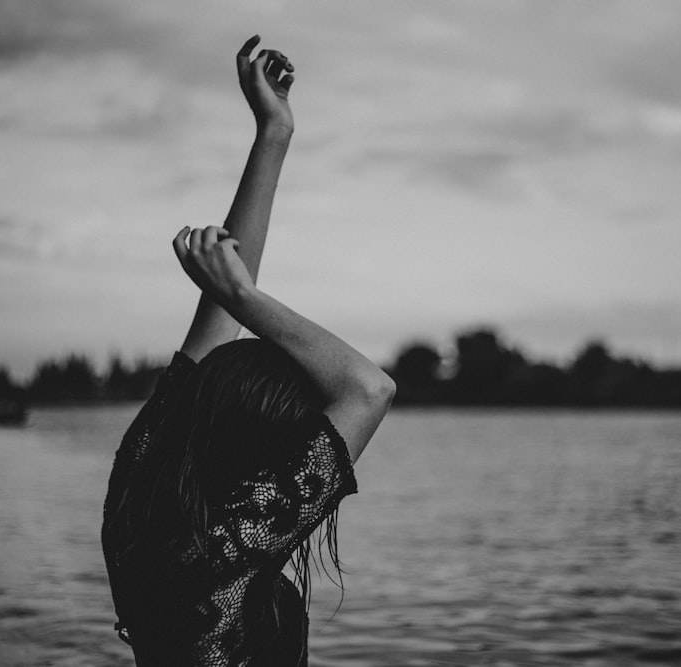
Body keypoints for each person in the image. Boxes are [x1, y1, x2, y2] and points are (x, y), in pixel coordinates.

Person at [101, 35, 395, 666]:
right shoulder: (226, 548)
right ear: (263, 460)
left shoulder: (143, 484)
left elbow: (223, 311)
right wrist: (237, 291)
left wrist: (273, 131)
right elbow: (369, 389)